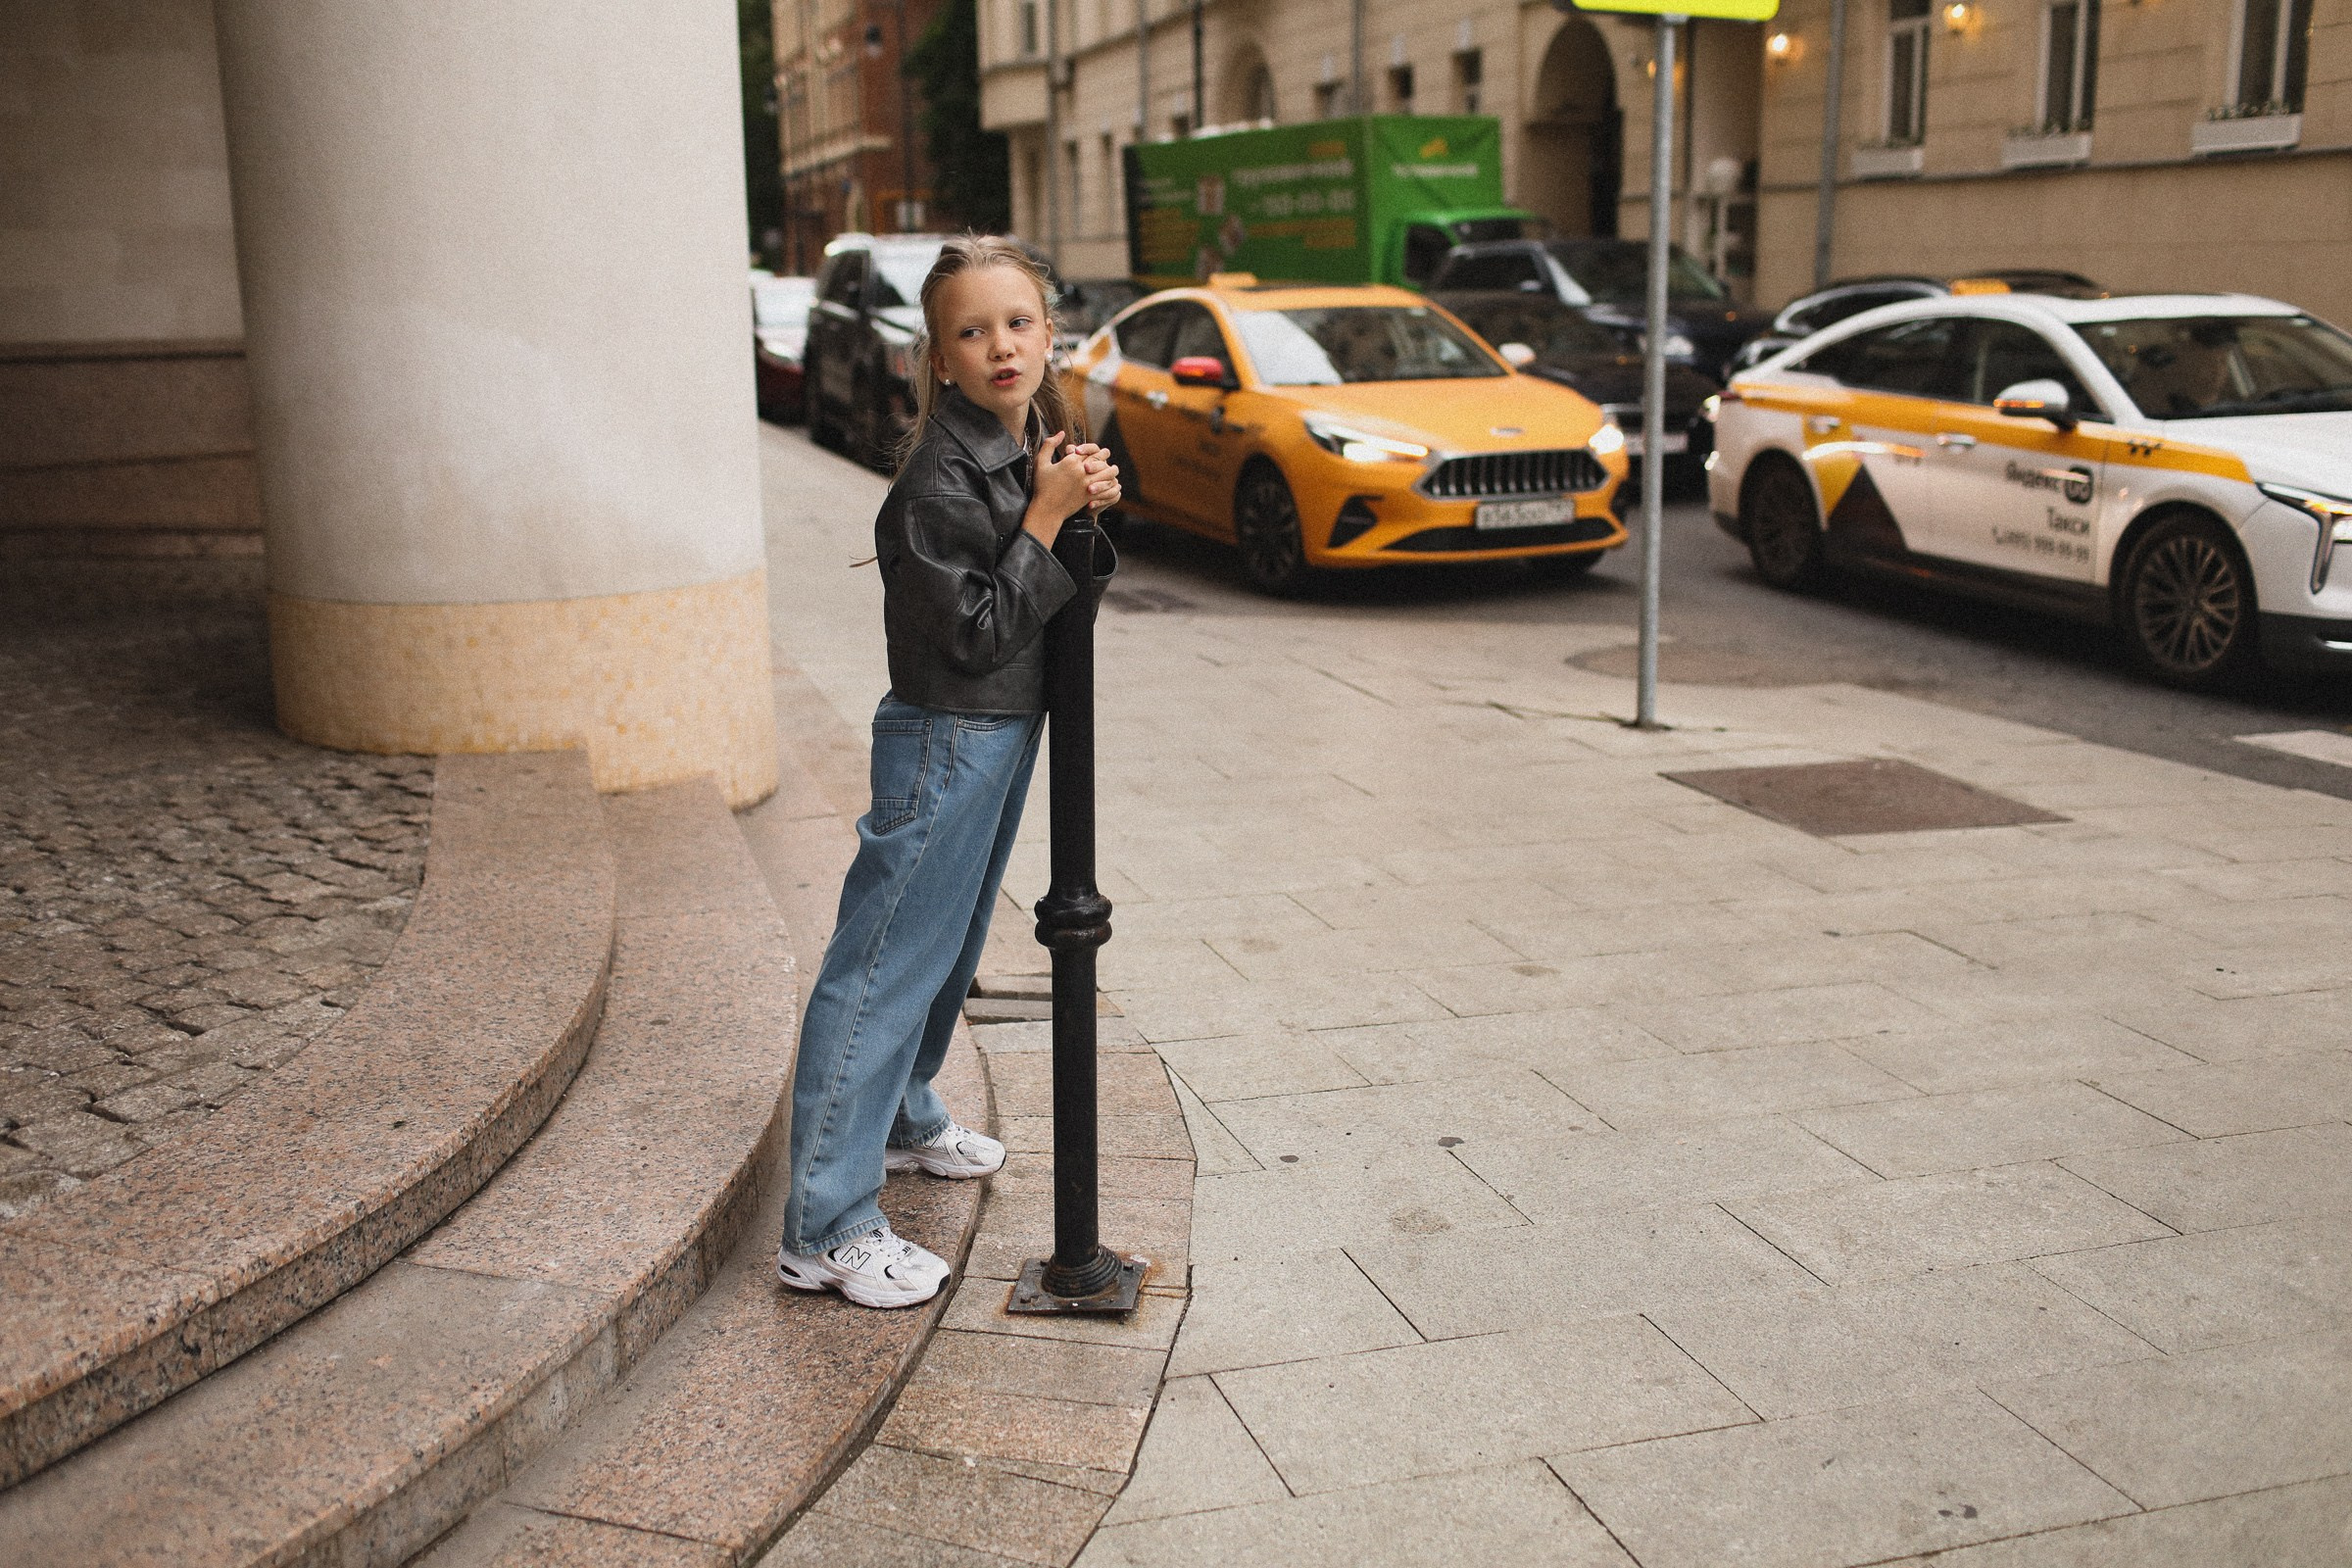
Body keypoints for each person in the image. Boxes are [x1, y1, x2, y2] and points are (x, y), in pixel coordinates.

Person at [776, 235, 1120, 1309]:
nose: (1000, 346)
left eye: (1017, 323)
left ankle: (905, 1114)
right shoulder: (938, 476)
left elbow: (1055, 589)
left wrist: (1077, 505)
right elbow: (975, 630)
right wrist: (1049, 517)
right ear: (938, 359)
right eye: (971, 332)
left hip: (999, 730)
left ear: (1049, 333)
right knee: (883, 965)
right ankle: (825, 1226)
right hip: (945, 736)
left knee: (949, 947)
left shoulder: (1025, 446)